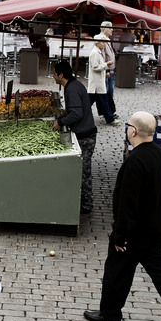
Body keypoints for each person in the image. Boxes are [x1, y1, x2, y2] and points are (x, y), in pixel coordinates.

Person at [83, 112, 161, 321]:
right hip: (155, 228)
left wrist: (120, 235)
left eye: (128, 125)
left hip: (134, 232)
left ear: (133, 131)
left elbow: (128, 202)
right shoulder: (160, 155)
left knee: (116, 271)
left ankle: (110, 313)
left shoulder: (135, 160)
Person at [52, 59, 97, 217]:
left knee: (84, 171)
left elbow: (77, 114)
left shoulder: (71, 89)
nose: (53, 76)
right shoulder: (74, 85)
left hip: (85, 135)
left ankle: (86, 205)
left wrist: (61, 122)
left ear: (61, 75)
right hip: (85, 132)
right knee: (83, 170)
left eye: (55, 73)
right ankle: (83, 201)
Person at [88, 33, 119, 125]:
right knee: (102, 101)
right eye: (102, 42)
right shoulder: (94, 53)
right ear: (97, 43)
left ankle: (109, 118)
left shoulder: (98, 52)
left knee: (99, 101)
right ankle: (110, 119)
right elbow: (95, 67)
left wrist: (104, 71)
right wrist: (106, 65)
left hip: (98, 82)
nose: (104, 44)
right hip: (96, 83)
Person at [100, 20, 118, 116]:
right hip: (107, 71)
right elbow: (103, 57)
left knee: (109, 93)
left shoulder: (107, 39)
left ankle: (109, 111)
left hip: (110, 71)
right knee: (107, 93)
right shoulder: (102, 40)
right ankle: (108, 112)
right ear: (105, 29)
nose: (112, 30)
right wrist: (106, 69)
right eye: (110, 28)